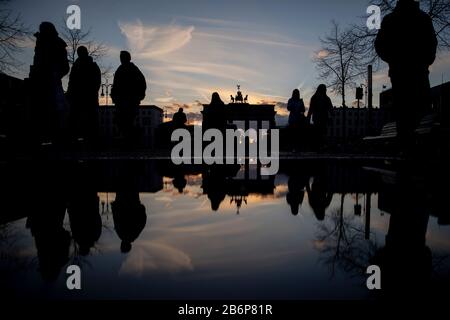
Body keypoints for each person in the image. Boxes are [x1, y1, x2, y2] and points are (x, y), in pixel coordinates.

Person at [375, 0, 437, 154]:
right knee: (421, 110)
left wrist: (393, 59)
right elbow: (432, 43)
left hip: (400, 71)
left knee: (404, 112)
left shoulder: (390, 19)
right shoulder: (423, 18)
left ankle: (406, 149)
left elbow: (380, 45)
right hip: (418, 70)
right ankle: (419, 151)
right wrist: (425, 61)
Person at [30, 22, 70, 145]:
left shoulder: (56, 44)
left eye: (43, 30)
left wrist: (55, 74)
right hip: (40, 80)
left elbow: (64, 66)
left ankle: (54, 138)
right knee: (41, 110)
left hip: (50, 81)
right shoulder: (42, 41)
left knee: (51, 110)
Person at [67, 46, 101, 144]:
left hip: (86, 97)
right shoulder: (79, 65)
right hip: (80, 97)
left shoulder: (88, 66)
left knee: (88, 119)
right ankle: (84, 140)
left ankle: (90, 141)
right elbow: (71, 81)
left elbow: (96, 82)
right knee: (82, 119)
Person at [111, 51, 147, 143]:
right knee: (122, 120)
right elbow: (115, 85)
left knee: (128, 120)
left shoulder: (133, 69)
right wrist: (114, 95)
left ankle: (129, 140)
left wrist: (138, 96)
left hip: (130, 100)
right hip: (122, 100)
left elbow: (142, 83)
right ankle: (126, 139)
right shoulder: (120, 69)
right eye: (121, 57)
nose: (121, 59)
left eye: (123, 57)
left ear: (128, 58)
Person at [307, 84, 333, 150]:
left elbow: (330, 108)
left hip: (321, 118)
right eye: (324, 89)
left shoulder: (323, 98)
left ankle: (319, 146)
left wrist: (308, 117)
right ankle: (319, 146)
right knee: (319, 132)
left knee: (321, 132)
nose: (325, 90)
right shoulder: (318, 98)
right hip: (319, 118)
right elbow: (311, 108)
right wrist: (308, 117)